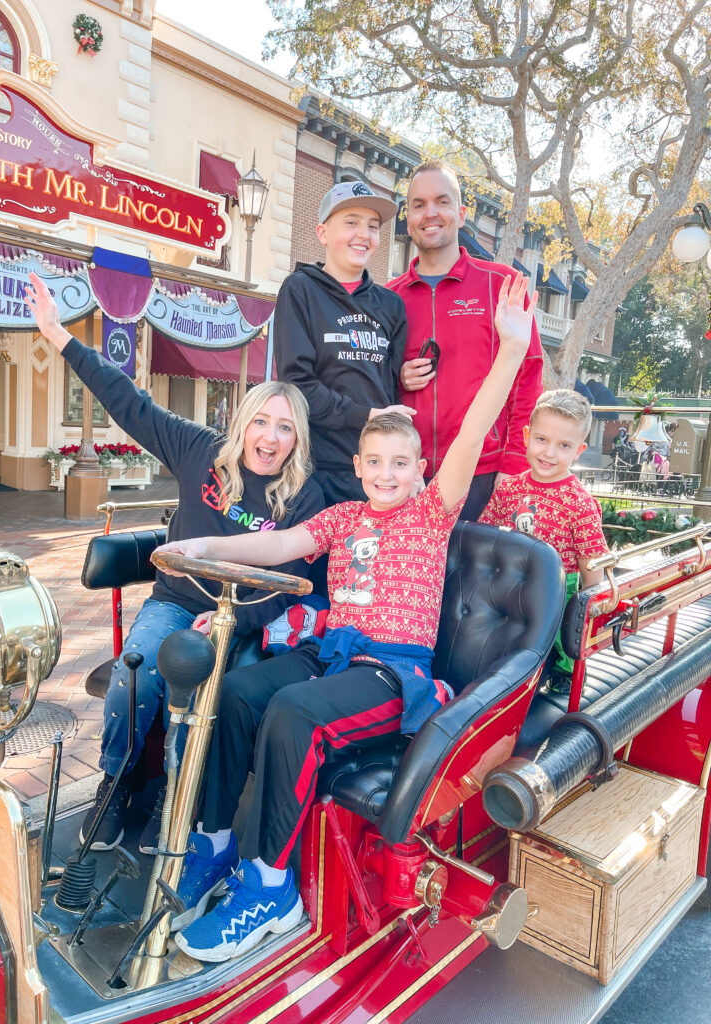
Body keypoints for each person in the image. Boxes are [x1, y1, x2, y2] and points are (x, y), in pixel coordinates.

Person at [157, 272, 536, 963]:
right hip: (335, 653)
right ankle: (214, 844)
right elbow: (275, 544)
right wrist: (201, 545)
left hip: (391, 673)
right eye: (376, 463)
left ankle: (271, 889)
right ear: (358, 467)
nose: (388, 474)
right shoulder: (342, 515)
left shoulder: (429, 514)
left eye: (402, 463)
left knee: (294, 713)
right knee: (239, 693)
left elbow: (475, 434)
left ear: (421, 470)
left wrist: (509, 352)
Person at [24, 272, 324, 854]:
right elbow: (127, 401)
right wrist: (59, 335)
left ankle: (179, 796)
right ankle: (116, 783)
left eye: (285, 427)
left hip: (240, 617)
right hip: (174, 602)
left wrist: (234, 621)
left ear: (297, 439)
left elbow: (292, 587)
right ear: (242, 425)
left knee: (209, 700)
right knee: (132, 681)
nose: (270, 436)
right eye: (261, 421)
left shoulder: (304, 497)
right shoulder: (198, 452)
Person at [388, 160, 544, 520]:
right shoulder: (387, 298)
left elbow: (528, 376)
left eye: (442, 201)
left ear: (460, 212)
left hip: (483, 476)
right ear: (407, 216)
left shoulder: (502, 285)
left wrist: (515, 463)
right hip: (406, 476)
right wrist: (397, 376)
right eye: (418, 204)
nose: (430, 213)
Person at [273, 181, 410, 504]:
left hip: (377, 471)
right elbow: (298, 387)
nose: (364, 234)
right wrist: (367, 415)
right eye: (351, 222)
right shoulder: (300, 290)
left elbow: (391, 389)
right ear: (322, 233)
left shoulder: (391, 305)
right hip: (316, 469)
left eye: (373, 226)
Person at [479, 388, 609, 678]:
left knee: (558, 644)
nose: (549, 453)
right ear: (527, 436)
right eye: (541, 439)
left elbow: (592, 566)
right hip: (510, 580)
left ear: (578, 451)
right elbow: (487, 535)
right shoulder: (508, 489)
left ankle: (563, 674)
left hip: (558, 588)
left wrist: (585, 612)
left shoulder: (579, 503)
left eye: (564, 445)